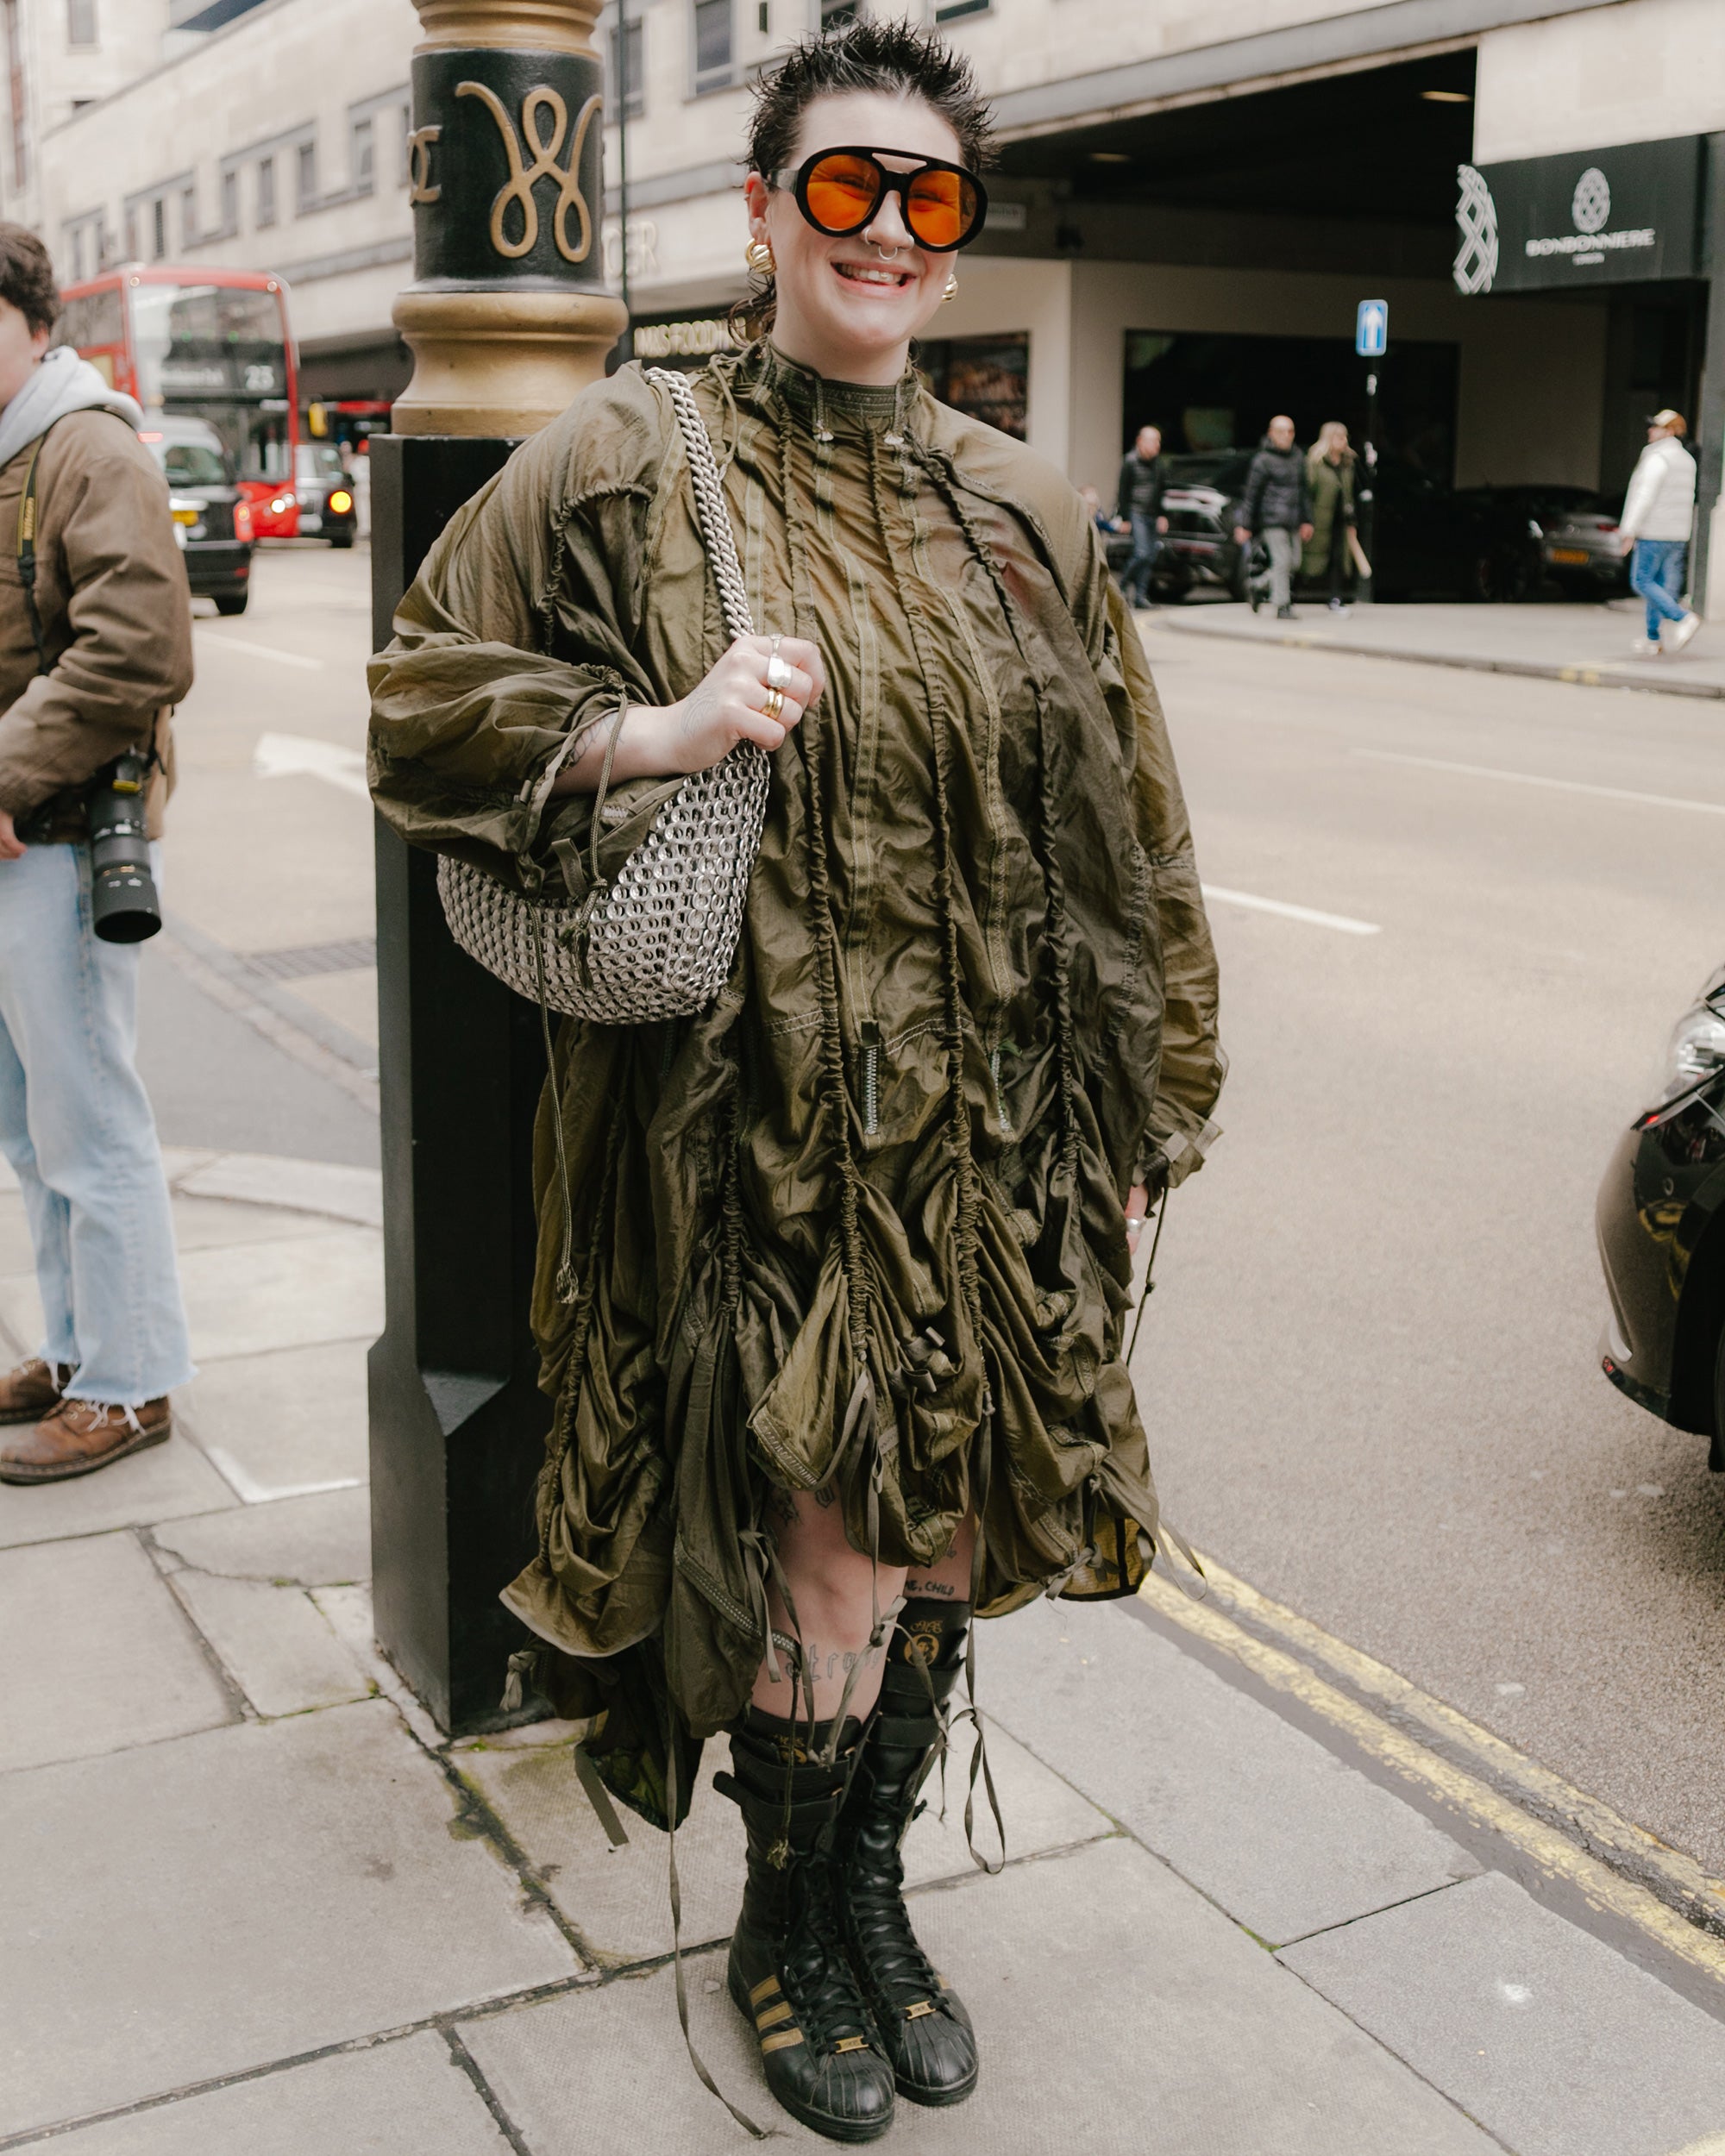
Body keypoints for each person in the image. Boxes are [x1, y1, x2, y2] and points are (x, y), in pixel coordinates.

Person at [370, 21, 1223, 2145]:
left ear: (955, 239)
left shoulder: (1021, 503)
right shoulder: (619, 458)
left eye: (925, 197)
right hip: (751, 1142)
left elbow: (1132, 829)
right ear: (761, 215)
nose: (885, 230)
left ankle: (872, 1888)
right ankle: (779, 1913)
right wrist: (645, 734)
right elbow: (418, 705)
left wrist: (1145, 1122)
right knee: (821, 1541)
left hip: (1003, 1132)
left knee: (944, 1541)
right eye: (842, 185)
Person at [0, 224, 196, 1486]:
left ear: (30, 318)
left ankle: (130, 1387)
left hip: (66, 837)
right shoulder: (18, 447)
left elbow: (138, 646)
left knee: (89, 1122)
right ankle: (77, 1352)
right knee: (32, 1130)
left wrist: (5, 766)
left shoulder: (85, 444)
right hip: (22, 832)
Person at [1621, 409, 1700, 658]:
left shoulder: (1656, 459)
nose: (1650, 431)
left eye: (1655, 427)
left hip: (1653, 531)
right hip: (1677, 534)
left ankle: (1682, 617)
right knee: (1661, 586)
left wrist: (1629, 530)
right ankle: (1653, 638)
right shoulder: (1687, 460)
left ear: (1669, 431)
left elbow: (1643, 497)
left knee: (1642, 581)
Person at [1234, 413, 1313, 618]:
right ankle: (1282, 606)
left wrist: (1307, 520)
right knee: (1282, 561)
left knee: (1293, 563)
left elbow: (1304, 491)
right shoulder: (1263, 460)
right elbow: (1251, 495)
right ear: (1271, 434)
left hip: (1294, 519)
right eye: (1282, 431)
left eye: (1290, 431)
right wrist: (1245, 524)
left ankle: (1257, 585)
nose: (1287, 435)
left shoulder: (1298, 457)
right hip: (1272, 519)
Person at [1302, 420, 1356, 613]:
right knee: (1311, 556)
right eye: (1339, 437)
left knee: (1338, 558)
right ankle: (1294, 592)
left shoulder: (1347, 464)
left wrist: (1352, 521)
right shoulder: (1315, 462)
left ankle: (1335, 596)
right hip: (1319, 518)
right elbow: (1308, 492)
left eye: (1345, 437)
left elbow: (1349, 495)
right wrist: (1306, 519)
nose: (1343, 441)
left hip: (1339, 520)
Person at [1115, 422, 1169, 607]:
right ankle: (1120, 586)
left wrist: (1162, 515)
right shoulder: (1130, 462)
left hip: (1152, 514)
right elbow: (1123, 492)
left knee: (1150, 556)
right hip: (1136, 512)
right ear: (1140, 441)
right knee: (1141, 553)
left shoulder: (1158, 465)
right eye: (1153, 441)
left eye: (1158, 441)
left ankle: (1140, 595)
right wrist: (1125, 518)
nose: (1157, 446)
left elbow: (1161, 491)